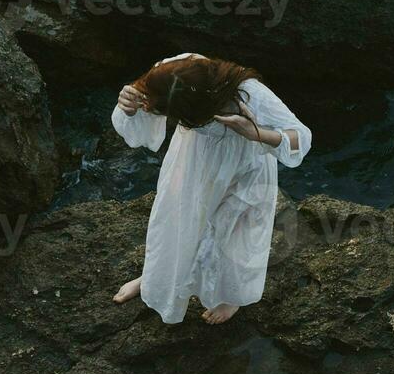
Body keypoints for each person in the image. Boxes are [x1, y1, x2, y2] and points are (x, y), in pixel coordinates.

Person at [110, 53, 311, 324]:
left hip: (242, 170)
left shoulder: (248, 92)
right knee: (177, 220)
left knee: (234, 233)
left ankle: (231, 296)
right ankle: (157, 278)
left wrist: (254, 133)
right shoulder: (170, 72)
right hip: (194, 162)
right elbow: (141, 116)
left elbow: (300, 137)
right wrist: (130, 106)